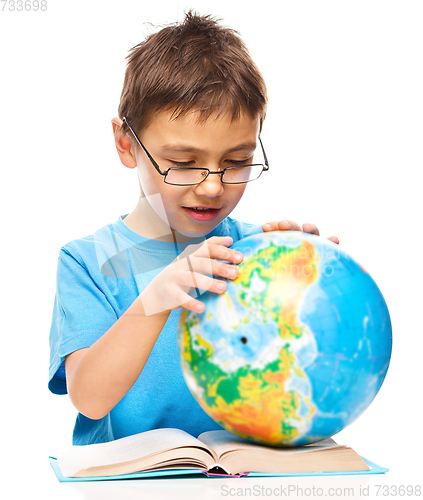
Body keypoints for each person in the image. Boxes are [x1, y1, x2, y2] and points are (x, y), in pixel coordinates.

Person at [48, 11, 339, 446]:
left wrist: (316, 290)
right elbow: (89, 399)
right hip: (128, 487)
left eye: (237, 161)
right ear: (126, 144)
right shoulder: (88, 262)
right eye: (184, 164)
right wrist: (156, 299)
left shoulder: (255, 253)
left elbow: (301, 379)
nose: (212, 186)